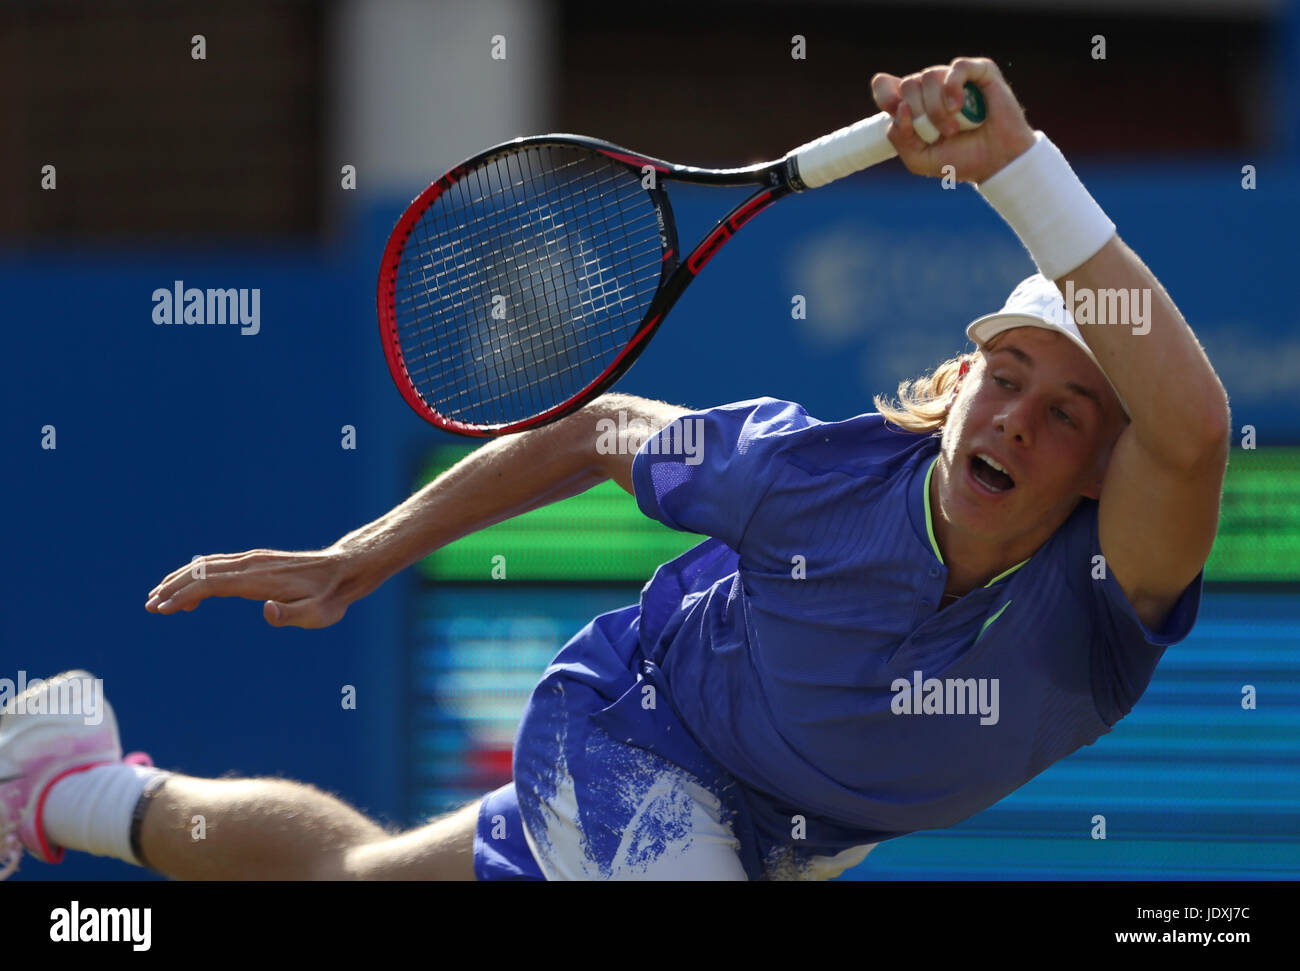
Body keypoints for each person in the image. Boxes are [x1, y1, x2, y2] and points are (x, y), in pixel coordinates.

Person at [0, 57, 1229, 881]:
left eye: (1067, 411)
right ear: (953, 388)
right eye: (1004, 375)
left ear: (1102, 474)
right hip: (637, 733)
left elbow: (1189, 432)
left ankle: (69, 785)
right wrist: (355, 556)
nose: (1016, 419)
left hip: (786, 836)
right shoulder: (798, 473)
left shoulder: (1107, 597)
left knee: (350, 875)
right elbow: (599, 432)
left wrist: (1019, 171)